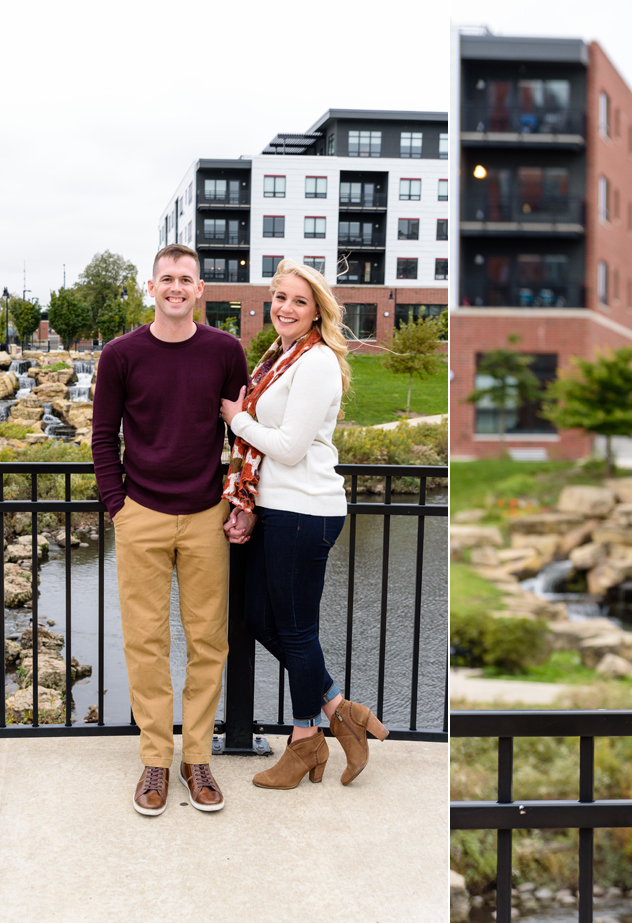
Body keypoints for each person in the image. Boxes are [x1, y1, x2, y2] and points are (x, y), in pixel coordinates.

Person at [219, 259, 389, 790]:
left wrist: (237, 419)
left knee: (294, 630)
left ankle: (305, 742)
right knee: (258, 616)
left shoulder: (314, 362)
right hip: (277, 507)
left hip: (306, 509)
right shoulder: (281, 357)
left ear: (317, 310)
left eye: (298, 300)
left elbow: (291, 448)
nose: (285, 308)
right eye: (280, 297)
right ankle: (341, 709)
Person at [92, 243, 249, 816]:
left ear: (200, 288)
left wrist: (240, 500)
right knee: (145, 642)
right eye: (167, 279)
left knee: (209, 640)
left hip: (208, 516)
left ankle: (197, 758)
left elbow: (242, 437)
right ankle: (156, 760)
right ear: (152, 287)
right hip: (142, 517)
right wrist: (119, 506)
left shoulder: (226, 352)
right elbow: (103, 436)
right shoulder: (121, 355)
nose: (176, 287)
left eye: (187, 279)